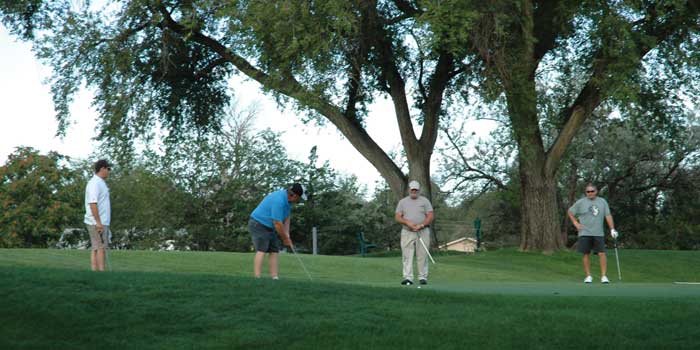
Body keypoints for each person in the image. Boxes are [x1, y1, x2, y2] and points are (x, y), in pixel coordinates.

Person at [249, 183, 307, 279]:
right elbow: (277, 223)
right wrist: (284, 239)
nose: (299, 200)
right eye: (299, 198)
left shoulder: (288, 202)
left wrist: (287, 235)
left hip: (269, 226)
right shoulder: (279, 200)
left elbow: (287, 217)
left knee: (274, 250)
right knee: (262, 249)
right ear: (294, 195)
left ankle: (274, 277)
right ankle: (257, 277)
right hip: (258, 223)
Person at [567, 184, 618, 284]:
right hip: (584, 232)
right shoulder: (581, 202)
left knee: (601, 253)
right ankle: (588, 276)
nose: (590, 193)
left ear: (596, 191)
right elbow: (570, 212)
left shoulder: (602, 201)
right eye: (588, 191)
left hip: (598, 232)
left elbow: (607, 215)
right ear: (586, 193)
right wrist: (575, 223)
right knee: (586, 253)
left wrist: (612, 229)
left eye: (592, 191)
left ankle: (603, 276)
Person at [395, 180, 434, 286]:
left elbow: (430, 216)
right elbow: (398, 217)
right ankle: (408, 277)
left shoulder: (425, 201)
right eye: (412, 190)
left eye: (416, 190)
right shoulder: (402, 202)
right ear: (409, 190)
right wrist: (407, 222)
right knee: (407, 255)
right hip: (407, 232)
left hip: (423, 231)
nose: (414, 192)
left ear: (419, 190)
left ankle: (422, 277)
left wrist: (421, 225)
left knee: (422, 255)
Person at [84, 159, 112, 271]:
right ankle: (100, 272)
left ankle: (95, 272)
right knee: (100, 247)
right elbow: (92, 203)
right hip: (96, 221)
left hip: (102, 220)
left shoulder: (101, 183)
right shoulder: (95, 183)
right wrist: (98, 222)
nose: (109, 171)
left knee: (97, 247)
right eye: (108, 169)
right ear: (102, 169)